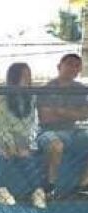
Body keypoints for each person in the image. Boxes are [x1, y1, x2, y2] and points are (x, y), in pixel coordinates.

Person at [0, 62, 45, 208]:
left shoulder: (31, 98)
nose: (28, 79)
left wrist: (22, 143)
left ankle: (37, 191)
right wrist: (9, 144)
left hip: (18, 135)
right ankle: (0, 189)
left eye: (29, 76)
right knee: (1, 153)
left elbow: (28, 124)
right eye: (24, 76)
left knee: (26, 156)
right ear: (15, 78)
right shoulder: (3, 97)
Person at [37, 53, 88, 199]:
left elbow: (84, 114)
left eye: (77, 65)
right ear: (59, 66)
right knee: (55, 145)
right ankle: (50, 186)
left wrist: (59, 111)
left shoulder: (80, 89)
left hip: (73, 131)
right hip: (48, 131)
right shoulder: (46, 89)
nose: (73, 68)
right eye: (69, 64)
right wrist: (73, 113)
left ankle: (83, 186)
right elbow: (46, 117)